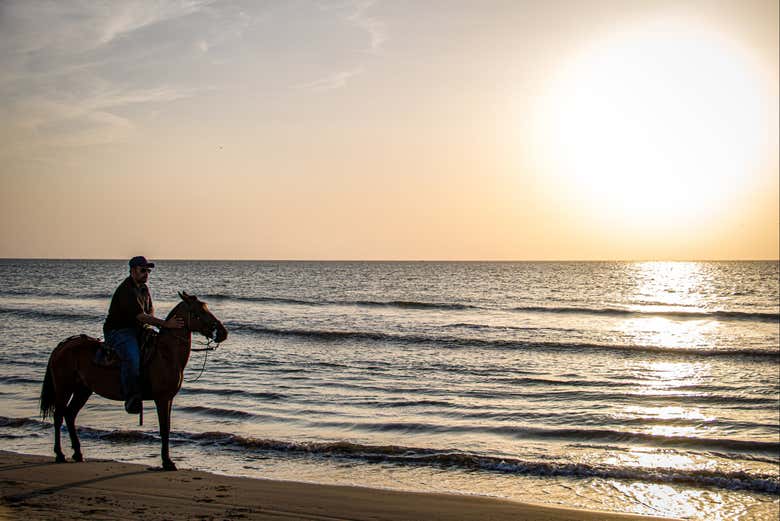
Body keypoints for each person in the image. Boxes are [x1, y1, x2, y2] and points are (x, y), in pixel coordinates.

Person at [103, 256, 184, 414]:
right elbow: (140, 316)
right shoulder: (127, 290)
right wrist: (166, 324)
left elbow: (149, 311)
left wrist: (154, 328)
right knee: (132, 357)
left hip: (139, 329)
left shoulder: (144, 289)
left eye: (148, 270)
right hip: (119, 331)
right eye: (143, 270)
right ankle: (131, 396)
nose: (146, 273)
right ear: (133, 271)